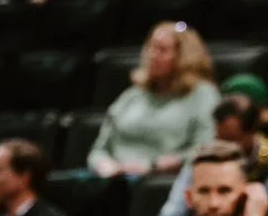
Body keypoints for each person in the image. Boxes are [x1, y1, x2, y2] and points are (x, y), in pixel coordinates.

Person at [88, 22, 219, 179]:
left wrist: (153, 166)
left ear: (184, 57)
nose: (153, 55)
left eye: (162, 50)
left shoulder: (203, 95)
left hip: (161, 180)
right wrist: (104, 166)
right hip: (112, 177)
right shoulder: (132, 95)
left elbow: (205, 148)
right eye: (151, 47)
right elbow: (98, 150)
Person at [150, 91, 268, 216]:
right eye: (219, 138)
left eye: (231, 139)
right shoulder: (200, 163)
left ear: (252, 132)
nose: (223, 146)